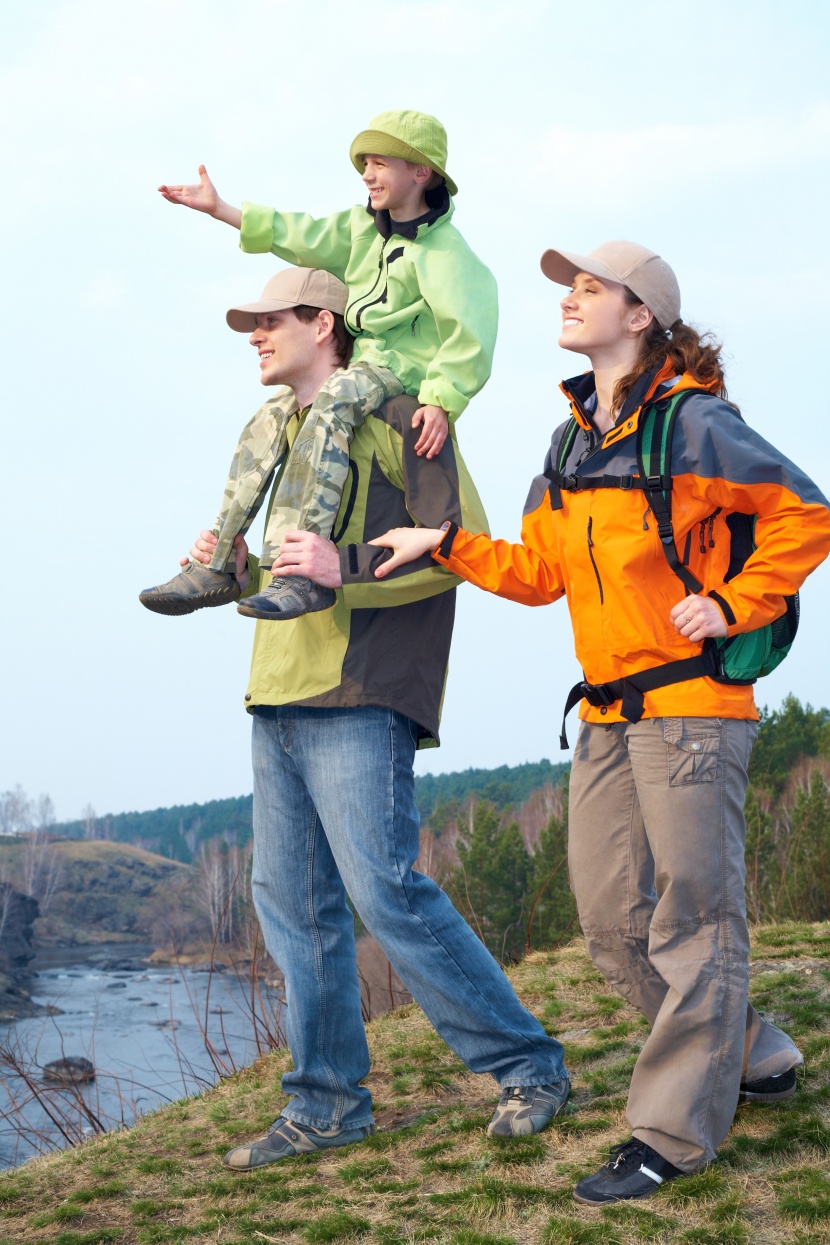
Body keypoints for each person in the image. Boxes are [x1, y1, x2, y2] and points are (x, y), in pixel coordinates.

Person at [368, 240, 830, 1203]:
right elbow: (542, 573)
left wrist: (737, 601)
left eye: (590, 287)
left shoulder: (696, 424)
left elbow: (805, 514)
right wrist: (445, 543)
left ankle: (671, 1133)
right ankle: (749, 1050)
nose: (571, 299)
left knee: (696, 923)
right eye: (568, 287)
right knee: (613, 918)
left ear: (641, 316)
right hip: (610, 712)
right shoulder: (572, 438)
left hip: (694, 707)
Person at [175, 266, 569, 1172]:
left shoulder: (400, 422)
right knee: (291, 908)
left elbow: (457, 546)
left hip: (362, 687)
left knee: (386, 891)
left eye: (270, 320)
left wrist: (341, 561)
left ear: (325, 323)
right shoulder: (282, 439)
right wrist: (233, 566)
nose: (255, 335)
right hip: (276, 690)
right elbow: (289, 576)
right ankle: (325, 1105)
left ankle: (529, 1066)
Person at [140, 109, 497, 622]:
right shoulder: (359, 230)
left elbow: (471, 329)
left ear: (422, 173)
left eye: (379, 163)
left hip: (407, 369)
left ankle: (302, 573)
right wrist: (222, 210)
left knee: (333, 397)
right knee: (274, 414)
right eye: (364, 166)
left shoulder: (447, 253)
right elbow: (299, 233)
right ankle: (220, 562)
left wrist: (442, 399)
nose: (367, 175)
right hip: (366, 366)